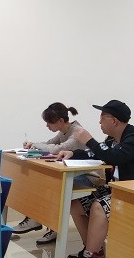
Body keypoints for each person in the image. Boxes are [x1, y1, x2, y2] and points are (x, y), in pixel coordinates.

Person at [56, 100, 134, 258]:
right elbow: (97, 153)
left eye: (102, 118)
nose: (99, 122)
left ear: (114, 121)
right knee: (76, 204)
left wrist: (88, 140)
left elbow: (112, 157)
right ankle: (93, 248)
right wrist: (73, 153)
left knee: (99, 206)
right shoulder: (114, 139)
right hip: (123, 189)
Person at [14, 102, 91, 244]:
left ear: (61, 121)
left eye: (49, 122)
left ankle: (44, 223)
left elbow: (56, 149)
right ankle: (37, 219)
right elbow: (49, 143)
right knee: (42, 181)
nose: (47, 126)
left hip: (87, 177)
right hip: (71, 174)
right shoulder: (64, 131)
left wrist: (36, 145)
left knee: (51, 185)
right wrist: (33, 144)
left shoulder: (77, 132)